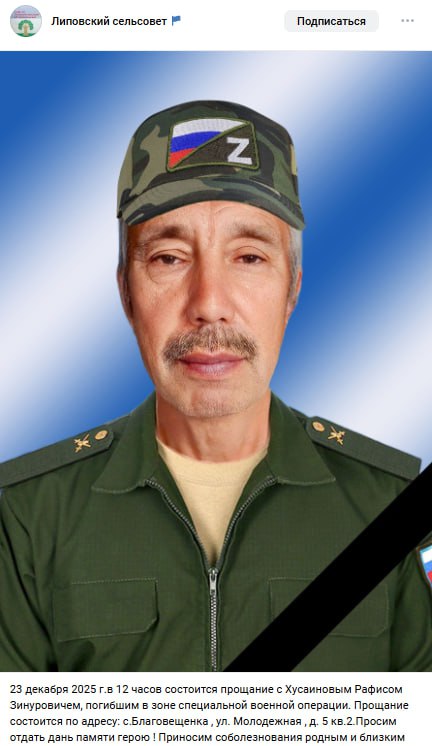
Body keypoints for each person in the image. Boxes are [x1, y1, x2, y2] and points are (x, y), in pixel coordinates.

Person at [0, 100, 431, 672]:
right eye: (169, 258)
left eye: (248, 257)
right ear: (126, 293)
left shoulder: (391, 500)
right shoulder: (26, 516)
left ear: (292, 289)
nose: (208, 303)